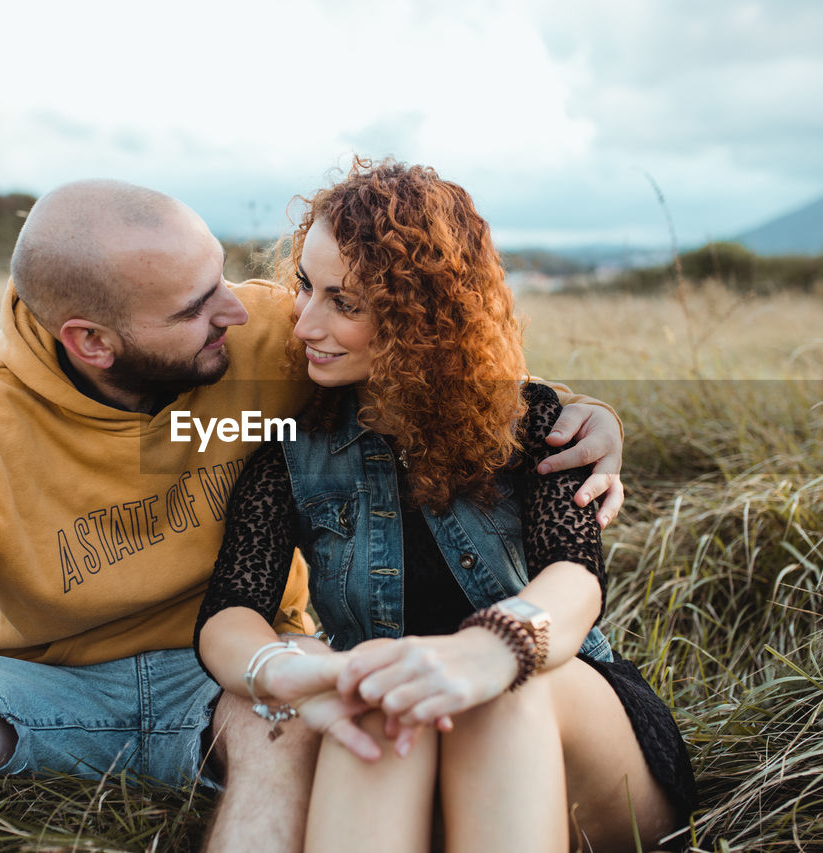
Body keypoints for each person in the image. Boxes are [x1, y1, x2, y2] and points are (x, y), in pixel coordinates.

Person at [0, 178, 628, 852]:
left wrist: (586, 418)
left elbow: (439, 353)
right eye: (193, 305)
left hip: (242, 675)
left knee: (307, 720)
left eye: (222, 276)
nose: (248, 310)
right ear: (92, 341)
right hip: (63, 684)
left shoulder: (265, 340)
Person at [195, 159, 697, 852]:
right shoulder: (291, 447)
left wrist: (490, 649)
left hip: (568, 727)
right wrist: (296, 668)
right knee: (373, 695)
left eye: (345, 303)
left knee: (497, 696)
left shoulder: (536, 423)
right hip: (405, 742)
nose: (304, 322)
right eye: (307, 286)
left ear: (418, 317)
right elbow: (231, 610)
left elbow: (577, 578)